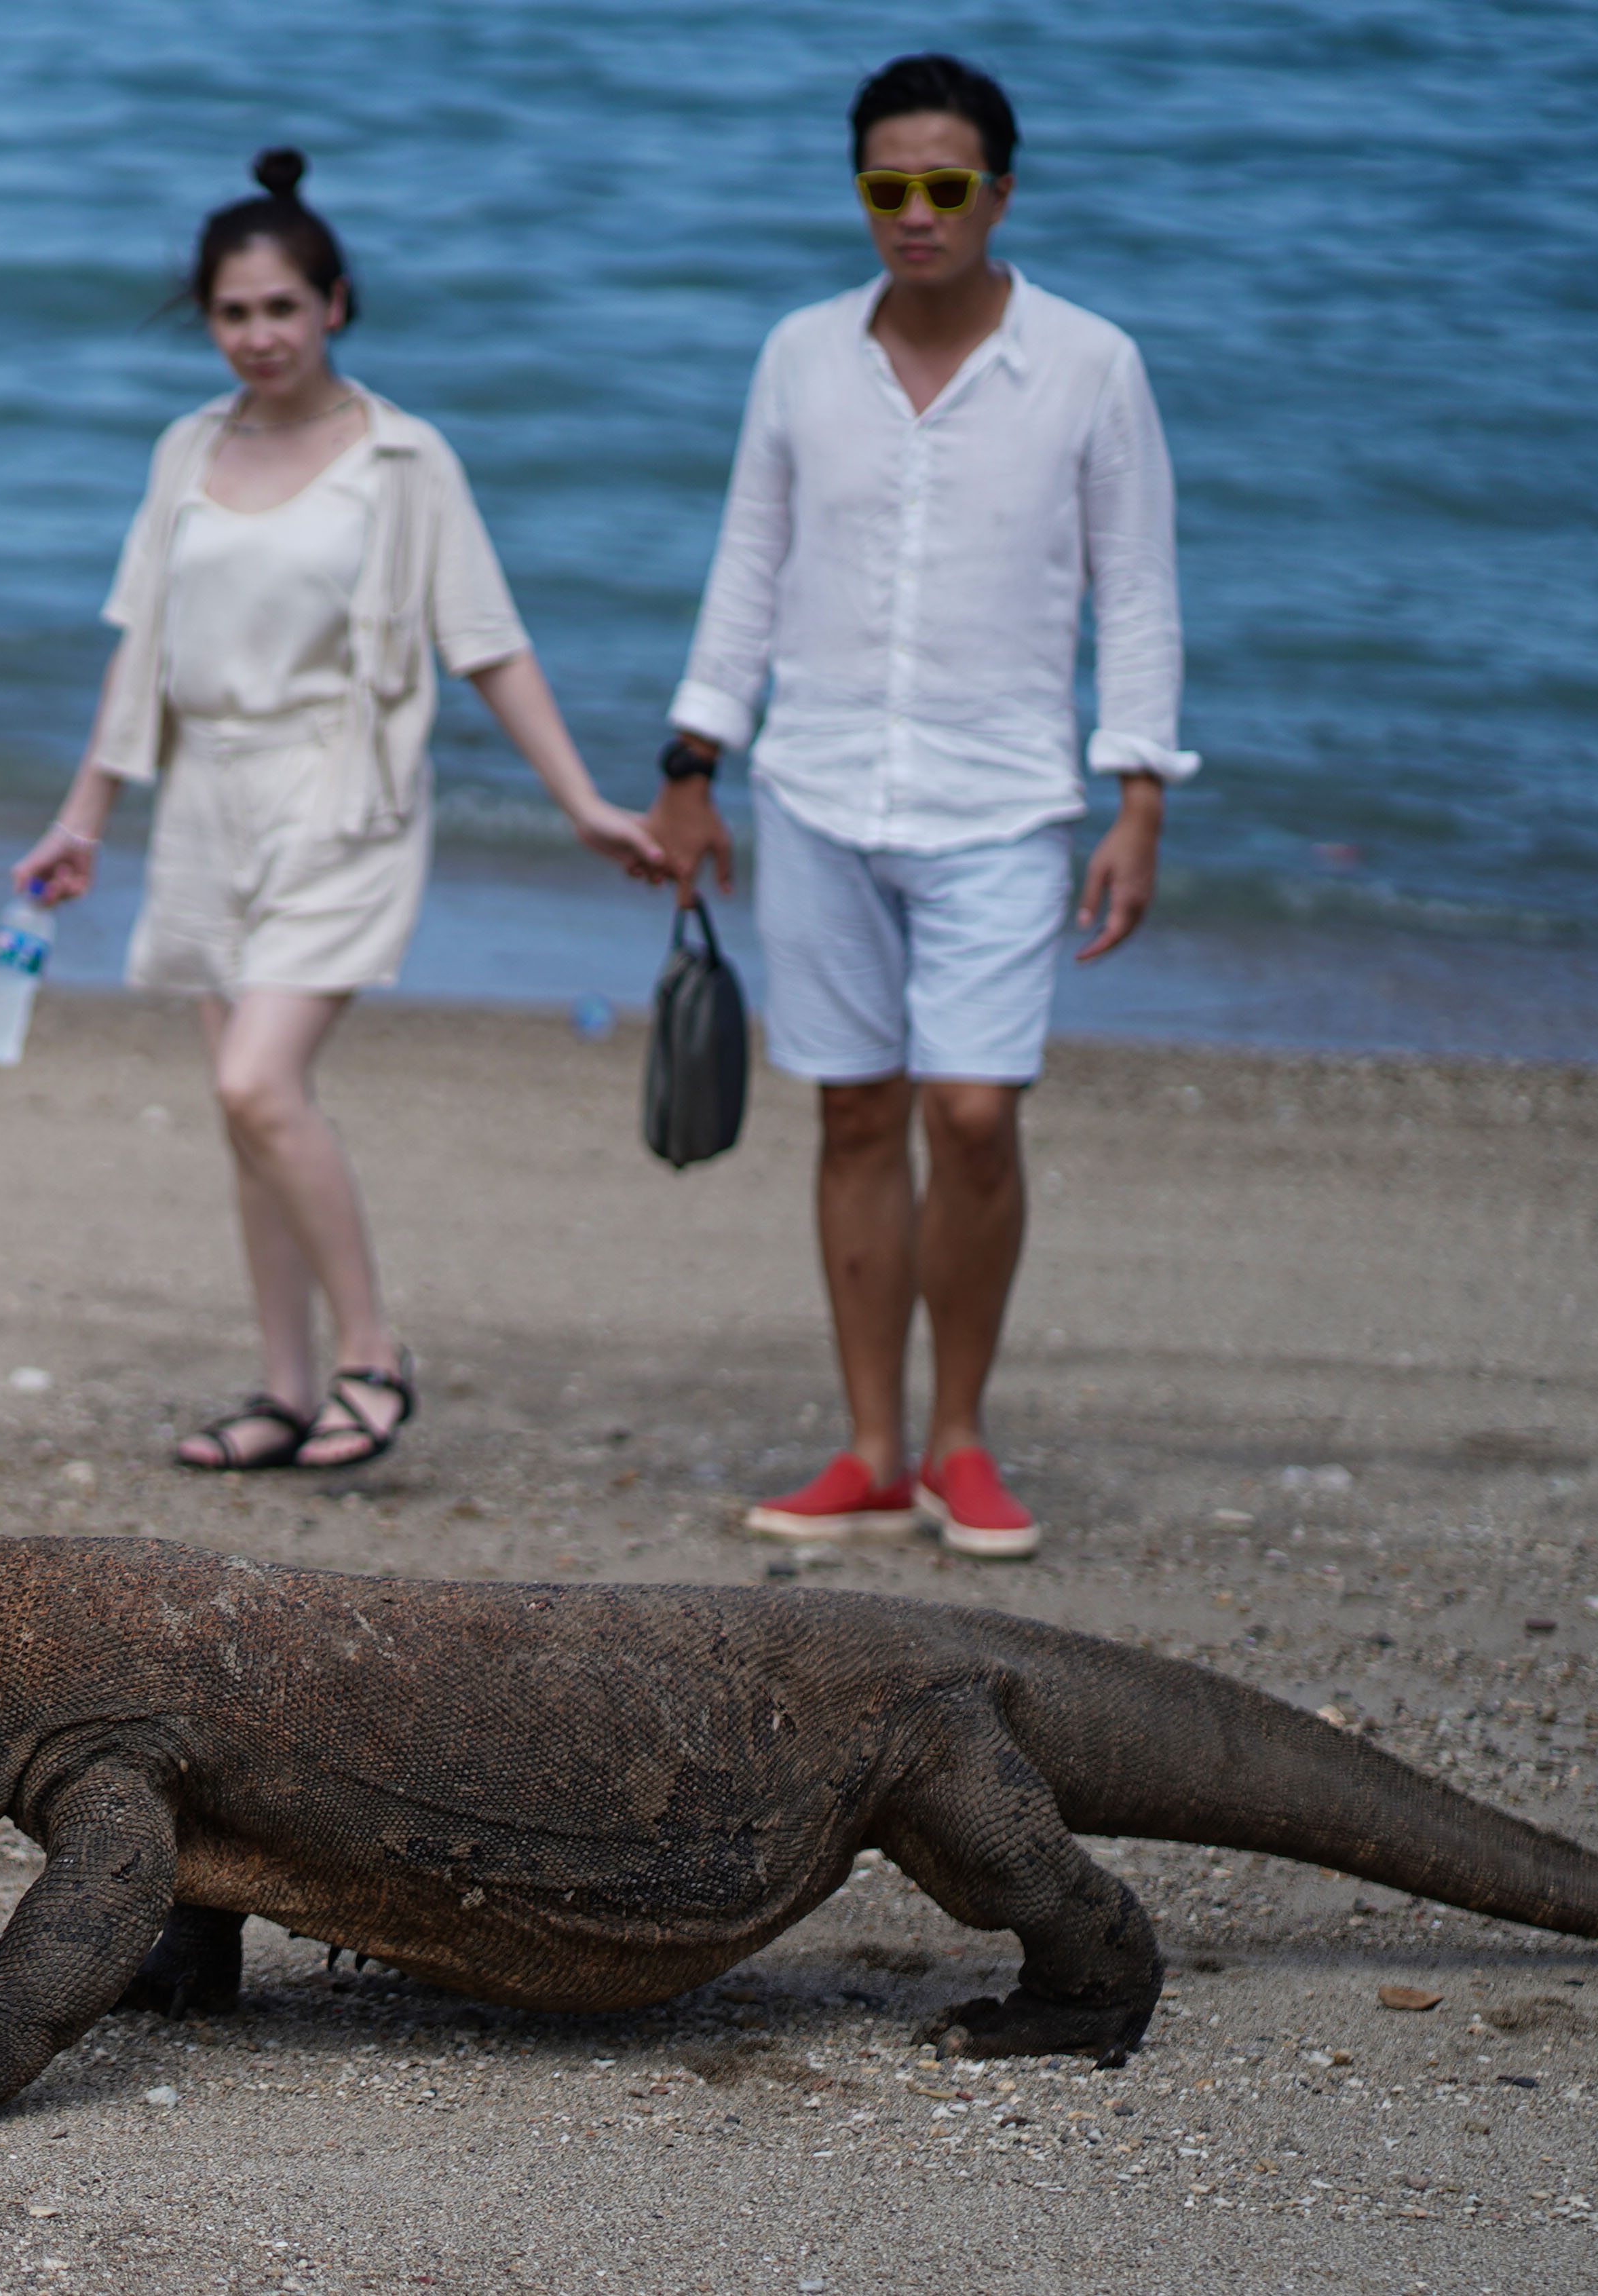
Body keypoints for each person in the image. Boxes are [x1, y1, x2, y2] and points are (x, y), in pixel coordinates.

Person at [15, 148, 673, 1475]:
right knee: (241, 1102)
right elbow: (138, 645)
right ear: (208, 320)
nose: (259, 336)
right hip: (207, 796)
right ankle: (283, 1389)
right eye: (233, 313)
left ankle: (374, 1355)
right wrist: (83, 816)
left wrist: (582, 801)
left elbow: (488, 641)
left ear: (336, 306)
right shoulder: (185, 451)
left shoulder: (405, 460)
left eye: (283, 309)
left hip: (343, 789)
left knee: (263, 1082)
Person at [645, 54, 1193, 1561]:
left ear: (1001, 194)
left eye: (947, 187)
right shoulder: (801, 356)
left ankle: (963, 1439)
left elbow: (1138, 593)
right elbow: (746, 565)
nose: (917, 215)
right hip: (814, 783)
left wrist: (1139, 791)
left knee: (975, 1111)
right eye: (888, 188)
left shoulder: (1091, 365)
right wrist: (693, 764)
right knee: (854, 1108)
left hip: (1008, 797)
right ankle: (875, 1449)